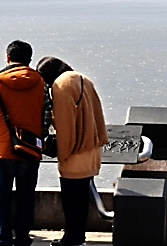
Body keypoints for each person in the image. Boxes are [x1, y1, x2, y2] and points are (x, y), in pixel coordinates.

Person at [0, 41, 52, 246]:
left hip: (0, 151)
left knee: (0, 199)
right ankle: (22, 237)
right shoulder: (41, 84)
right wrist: (38, 140)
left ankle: (2, 238)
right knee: (25, 198)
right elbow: (47, 118)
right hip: (29, 151)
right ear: (30, 59)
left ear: (8, 58)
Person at [36, 57, 108, 246]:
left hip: (75, 152)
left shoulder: (61, 86)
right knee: (82, 198)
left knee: (71, 200)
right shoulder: (83, 78)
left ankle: (72, 238)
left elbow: (65, 124)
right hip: (92, 149)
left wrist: (63, 154)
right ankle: (78, 236)